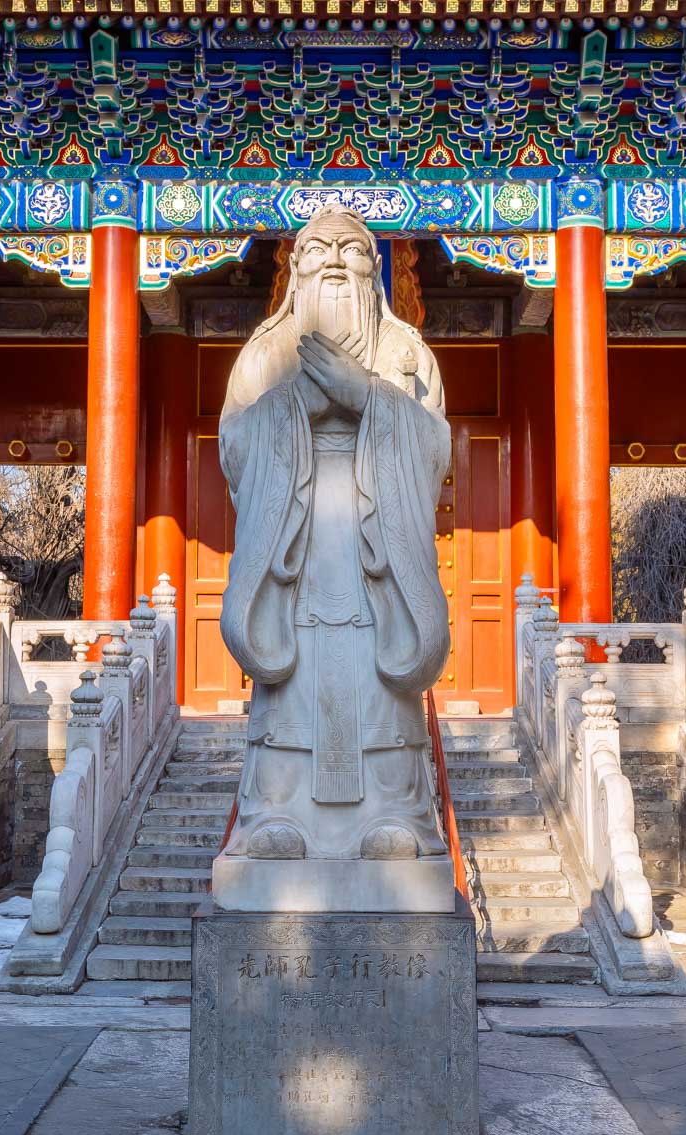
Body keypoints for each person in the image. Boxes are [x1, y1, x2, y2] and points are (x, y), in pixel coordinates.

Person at [219, 205, 451, 863]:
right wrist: (298, 406)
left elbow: (434, 447)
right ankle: (275, 812)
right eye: (319, 259)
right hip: (293, 550)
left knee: (382, 683)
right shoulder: (266, 352)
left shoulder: (405, 351)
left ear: (374, 274)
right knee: (291, 682)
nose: (336, 271)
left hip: (378, 549)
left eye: (353, 260)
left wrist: (369, 395)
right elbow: (234, 446)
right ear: (295, 274)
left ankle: (396, 811)